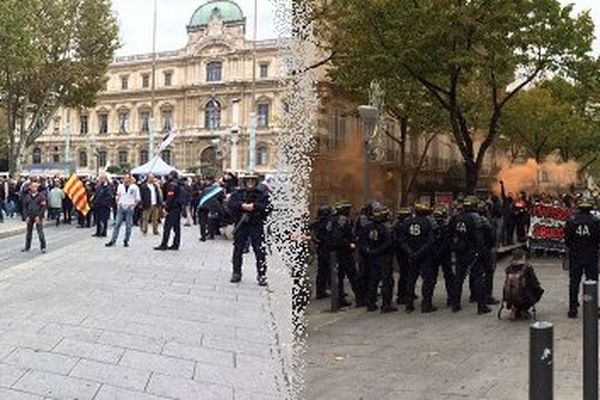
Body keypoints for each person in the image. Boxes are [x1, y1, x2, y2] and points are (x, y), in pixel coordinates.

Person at [450, 196, 491, 315]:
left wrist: (454, 246)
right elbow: (479, 237)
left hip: (460, 251)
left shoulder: (456, 217)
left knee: (458, 278)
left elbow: (450, 234)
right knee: (478, 278)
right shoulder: (476, 218)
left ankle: (455, 304)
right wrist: (481, 251)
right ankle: (481, 306)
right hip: (473, 251)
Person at [228, 174, 270, 286]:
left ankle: (261, 274)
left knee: (259, 251)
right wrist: (242, 206)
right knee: (238, 249)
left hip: (256, 224)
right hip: (241, 225)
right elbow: (231, 204)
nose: (250, 182)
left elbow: (268, 207)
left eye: (252, 180)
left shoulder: (262, 194)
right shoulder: (238, 193)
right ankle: (236, 272)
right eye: (248, 180)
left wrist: (255, 206)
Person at [564, 198, 600, 318]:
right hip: (591, 255)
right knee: (592, 282)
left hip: (576, 256)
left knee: (574, 282)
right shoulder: (596, 221)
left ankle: (573, 308)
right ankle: (593, 306)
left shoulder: (571, 220)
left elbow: (567, 240)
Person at [398, 203, 437, 313]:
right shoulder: (428, 222)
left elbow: (402, 240)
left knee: (411, 279)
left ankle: (409, 305)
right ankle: (426, 304)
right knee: (427, 280)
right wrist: (420, 252)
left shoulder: (407, 222)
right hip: (425, 255)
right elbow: (431, 240)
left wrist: (410, 252)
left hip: (411, 254)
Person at [326, 201, 364, 307]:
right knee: (352, 275)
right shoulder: (342, 220)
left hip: (333, 252)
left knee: (339, 276)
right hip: (343, 252)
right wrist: (349, 244)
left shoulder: (331, 220)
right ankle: (360, 299)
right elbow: (338, 237)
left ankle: (339, 299)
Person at [364, 203, 397, 313]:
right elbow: (388, 243)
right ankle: (386, 305)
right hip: (384, 257)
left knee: (373, 281)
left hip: (372, 257)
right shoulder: (385, 228)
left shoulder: (368, 227)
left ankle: (370, 304)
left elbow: (362, 241)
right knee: (387, 281)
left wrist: (369, 251)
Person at [501, 249, 544, 320]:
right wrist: (539, 289)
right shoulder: (527, 268)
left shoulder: (508, 268)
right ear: (523, 257)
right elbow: (534, 282)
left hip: (508, 295)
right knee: (535, 290)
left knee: (517, 291)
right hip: (523, 296)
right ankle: (522, 309)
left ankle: (515, 308)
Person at [106, 174, 140, 247]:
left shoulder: (134, 187)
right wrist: (118, 203)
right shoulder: (120, 186)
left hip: (129, 207)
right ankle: (113, 240)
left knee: (128, 225)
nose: (126, 180)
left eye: (128, 178)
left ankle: (126, 240)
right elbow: (118, 195)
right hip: (121, 207)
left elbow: (137, 198)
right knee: (117, 224)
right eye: (125, 178)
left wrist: (133, 206)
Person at [432, 207, 455, 307]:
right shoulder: (446, 227)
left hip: (433, 254)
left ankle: (427, 301)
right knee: (449, 277)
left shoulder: (431, 226)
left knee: (431, 278)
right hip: (445, 254)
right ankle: (451, 298)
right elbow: (448, 241)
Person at [155, 170, 183, 250]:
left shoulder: (172, 185)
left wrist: (166, 208)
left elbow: (170, 197)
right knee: (177, 228)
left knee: (167, 227)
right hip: (178, 207)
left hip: (172, 208)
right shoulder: (179, 183)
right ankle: (176, 244)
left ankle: (164, 244)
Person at [310, 205, 333, 299]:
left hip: (322, 248)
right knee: (327, 271)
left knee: (323, 271)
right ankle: (323, 291)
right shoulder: (325, 222)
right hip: (326, 248)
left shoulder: (318, 223)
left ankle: (321, 291)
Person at [393, 207, 415, 305]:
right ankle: (403, 295)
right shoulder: (402, 226)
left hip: (401, 251)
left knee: (406, 273)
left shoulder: (398, 225)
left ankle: (406, 293)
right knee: (406, 273)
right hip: (403, 252)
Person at [22, 181, 47, 253]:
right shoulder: (27, 196)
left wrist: (39, 216)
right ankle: (27, 247)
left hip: (38, 217)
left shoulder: (41, 196)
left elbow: (43, 207)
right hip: (30, 216)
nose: (34, 188)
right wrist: (26, 216)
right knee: (28, 233)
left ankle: (43, 247)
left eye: (36, 186)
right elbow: (24, 207)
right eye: (33, 186)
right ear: (30, 187)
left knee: (40, 232)